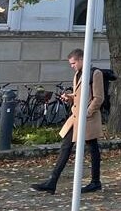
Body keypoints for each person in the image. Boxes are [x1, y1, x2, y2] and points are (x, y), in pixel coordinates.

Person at [31, 48, 104, 194]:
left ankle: (95, 182)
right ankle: (52, 182)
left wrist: (87, 112)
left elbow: (99, 97)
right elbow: (79, 94)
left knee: (92, 148)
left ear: (82, 59)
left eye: (73, 63)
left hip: (87, 118)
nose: (72, 66)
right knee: (66, 146)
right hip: (76, 117)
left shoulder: (95, 73)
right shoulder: (78, 74)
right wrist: (70, 97)